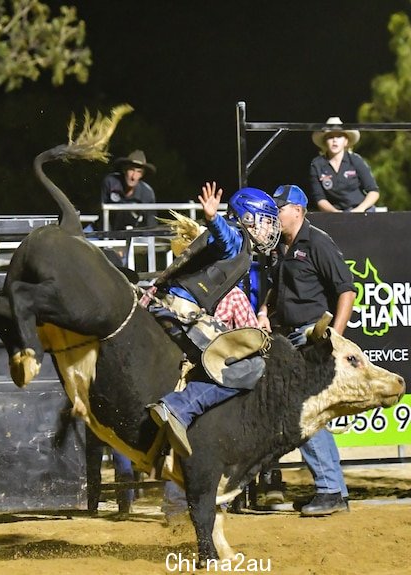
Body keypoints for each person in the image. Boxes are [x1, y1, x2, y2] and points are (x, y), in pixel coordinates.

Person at [146, 182, 281, 458]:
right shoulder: (236, 240)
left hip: (177, 308)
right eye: (267, 221)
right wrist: (213, 218)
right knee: (249, 366)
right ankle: (178, 408)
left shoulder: (240, 248)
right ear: (248, 218)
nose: (270, 229)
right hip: (180, 312)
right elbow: (224, 236)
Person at [257, 184, 355, 517]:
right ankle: (335, 491)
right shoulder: (276, 248)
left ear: (297, 211)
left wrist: (334, 339)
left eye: (279, 208)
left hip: (310, 339)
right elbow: (274, 289)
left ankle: (330, 490)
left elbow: (347, 290)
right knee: (309, 414)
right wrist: (262, 311)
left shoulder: (318, 243)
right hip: (287, 340)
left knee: (305, 414)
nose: (274, 215)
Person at [309, 117, 380, 213]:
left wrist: (359, 210)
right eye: (330, 137)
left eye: (339, 136)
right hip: (334, 214)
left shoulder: (356, 160)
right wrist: (336, 213)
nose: (335, 140)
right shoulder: (317, 165)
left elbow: (373, 191)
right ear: (325, 141)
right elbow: (319, 198)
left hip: (363, 211)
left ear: (346, 141)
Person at [101, 150, 157, 231]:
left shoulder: (147, 193)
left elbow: (151, 223)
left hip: (132, 235)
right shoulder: (110, 183)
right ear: (124, 169)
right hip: (105, 231)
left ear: (142, 175)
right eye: (131, 170)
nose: (133, 176)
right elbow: (102, 213)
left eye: (138, 172)